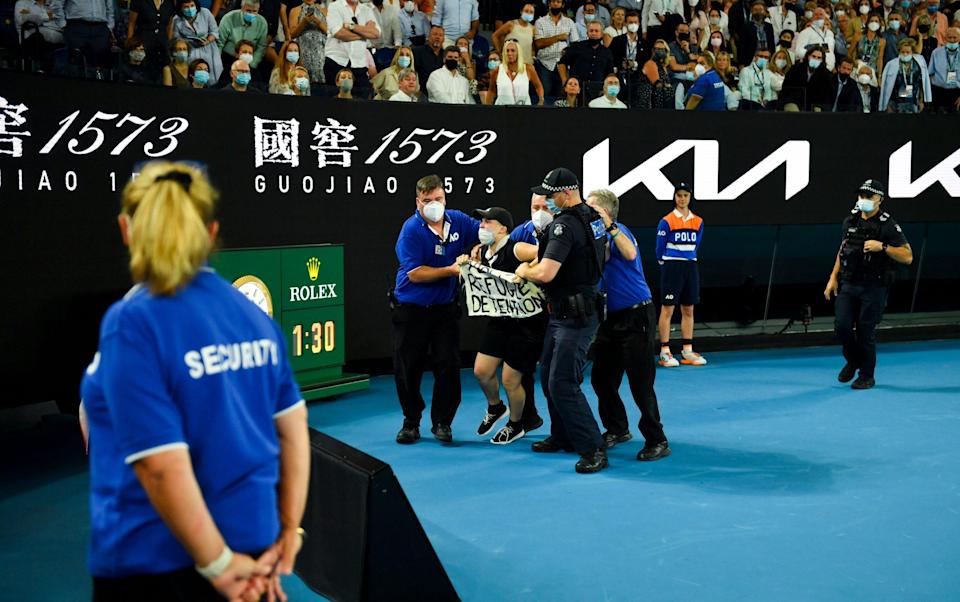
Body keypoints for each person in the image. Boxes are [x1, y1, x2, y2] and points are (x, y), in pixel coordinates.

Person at [81, 161, 309, 602]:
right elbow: (294, 430)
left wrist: (219, 566)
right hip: (254, 551)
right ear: (211, 232)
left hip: (155, 561)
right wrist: (285, 534)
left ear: (127, 229)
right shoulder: (253, 318)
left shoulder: (133, 322)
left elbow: (159, 464)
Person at [516, 167, 608, 474]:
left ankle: (593, 447)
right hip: (569, 312)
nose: (547, 201)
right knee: (548, 377)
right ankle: (562, 435)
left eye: (550, 195)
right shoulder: (594, 218)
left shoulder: (564, 226)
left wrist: (523, 272)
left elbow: (544, 273)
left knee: (563, 382)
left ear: (566, 193)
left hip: (574, 318)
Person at [391, 175, 480, 444]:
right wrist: (452, 270)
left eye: (438, 199)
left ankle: (442, 422)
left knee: (449, 365)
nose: (433, 205)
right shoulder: (411, 230)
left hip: (444, 310)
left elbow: (485, 232)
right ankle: (411, 421)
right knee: (409, 366)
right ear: (418, 203)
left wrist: (477, 247)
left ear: (445, 198)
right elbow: (416, 273)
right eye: (427, 201)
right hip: (411, 308)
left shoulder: (458, 220)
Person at [586, 189, 670, 461]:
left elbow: (630, 254)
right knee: (602, 379)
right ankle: (617, 428)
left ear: (606, 213)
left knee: (640, 382)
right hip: (608, 319)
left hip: (637, 317)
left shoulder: (620, 230)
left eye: (592, 209)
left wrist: (608, 225)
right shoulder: (592, 238)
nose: (587, 213)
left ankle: (657, 439)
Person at [824, 179, 913, 390]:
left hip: (874, 287)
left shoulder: (888, 225)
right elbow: (842, 250)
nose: (864, 200)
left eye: (869, 197)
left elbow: (907, 256)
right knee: (842, 327)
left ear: (879, 200)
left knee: (865, 332)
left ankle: (866, 375)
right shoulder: (850, 221)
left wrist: (882, 246)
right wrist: (832, 278)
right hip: (848, 283)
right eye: (861, 196)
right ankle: (854, 360)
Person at [468, 207, 546, 445]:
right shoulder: (481, 252)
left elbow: (545, 255)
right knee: (481, 371)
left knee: (511, 379)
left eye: (487, 222)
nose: (482, 226)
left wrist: (526, 271)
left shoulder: (516, 247)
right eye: (481, 221)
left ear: (502, 227)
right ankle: (495, 407)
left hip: (526, 324)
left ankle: (516, 424)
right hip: (499, 320)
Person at [656, 182, 706, 368]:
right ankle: (665, 351)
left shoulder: (698, 222)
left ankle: (687, 350)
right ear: (674, 197)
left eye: (685, 195)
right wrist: (666, 264)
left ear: (690, 197)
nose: (682, 199)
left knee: (688, 309)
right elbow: (659, 248)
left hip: (690, 267)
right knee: (667, 308)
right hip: (671, 267)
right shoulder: (667, 221)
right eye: (679, 195)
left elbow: (696, 245)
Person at [324, 0, 380, 97]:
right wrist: (364, 34)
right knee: (334, 102)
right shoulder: (335, 6)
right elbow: (338, 33)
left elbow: (376, 33)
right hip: (336, 62)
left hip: (359, 63)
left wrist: (351, 26)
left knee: (363, 102)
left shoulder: (366, 10)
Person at [534, 0, 579, 102]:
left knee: (562, 95)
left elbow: (575, 45)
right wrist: (559, 37)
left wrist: (568, 50)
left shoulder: (569, 22)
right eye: (553, 1)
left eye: (558, 2)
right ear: (549, 4)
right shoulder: (540, 22)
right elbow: (539, 43)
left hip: (562, 65)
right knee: (543, 96)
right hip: (544, 64)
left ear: (562, 5)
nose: (555, 4)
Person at [558, 20, 615, 99]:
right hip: (577, 90)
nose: (594, 33)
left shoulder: (607, 52)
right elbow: (562, 63)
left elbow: (609, 73)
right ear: (587, 33)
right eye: (591, 31)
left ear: (602, 34)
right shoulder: (577, 47)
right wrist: (565, 81)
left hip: (597, 92)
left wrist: (605, 89)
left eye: (596, 31)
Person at [172, 0, 222, 82]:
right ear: (180, 8)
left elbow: (214, 32)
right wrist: (187, 42)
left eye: (192, 5)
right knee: (193, 77)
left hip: (208, 48)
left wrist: (207, 41)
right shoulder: (176, 19)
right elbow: (176, 39)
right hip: (190, 50)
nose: (190, 9)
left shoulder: (206, 13)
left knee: (212, 77)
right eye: (186, 7)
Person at [217, 0, 270, 77]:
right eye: (248, 10)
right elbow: (219, 43)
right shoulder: (228, 18)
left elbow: (261, 47)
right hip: (228, 58)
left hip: (250, 60)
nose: (251, 14)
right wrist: (217, 64)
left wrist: (252, 65)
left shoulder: (262, 23)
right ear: (242, 8)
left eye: (254, 11)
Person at [485, 39, 545, 104]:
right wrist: (487, 108)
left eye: (513, 51)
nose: (509, 53)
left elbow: (538, 86)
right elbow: (491, 91)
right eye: (507, 51)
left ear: (518, 53)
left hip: (523, 110)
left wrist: (541, 99)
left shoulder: (528, 69)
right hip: (502, 110)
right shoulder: (497, 70)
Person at [879, 38, 932, 111]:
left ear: (912, 52)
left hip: (913, 103)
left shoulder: (918, 65)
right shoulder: (891, 65)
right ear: (899, 52)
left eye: (908, 52)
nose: (905, 54)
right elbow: (888, 87)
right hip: (895, 104)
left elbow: (921, 84)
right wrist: (888, 105)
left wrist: (921, 101)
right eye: (903, 52)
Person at [127, 0, 175, 80]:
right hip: (143, 44)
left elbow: (169, 26)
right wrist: (129, 45)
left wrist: (168, 45)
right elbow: (131, 24)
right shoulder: (139, 1)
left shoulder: (169, 3)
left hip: (162, 47)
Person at [63, 0, 114, 70]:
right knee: (76, 64)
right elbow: (57, 3)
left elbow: (110, 6)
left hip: (101, 27)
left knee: (100, 64)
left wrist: (110, 26)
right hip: (76, 25)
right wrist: (62, 24)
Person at [288, 0, 327, 85]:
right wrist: (303, 22)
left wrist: (318, 22)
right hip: (303, 51)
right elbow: (292, 34)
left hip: (322, 53)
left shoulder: (325, 10)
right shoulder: (295, 10)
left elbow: (330, 32)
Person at [608, 10, 644, 102]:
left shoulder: (644, 43)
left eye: (635, 22)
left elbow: (646, 60)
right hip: (620, 76)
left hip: (638, 77)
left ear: (639, 23)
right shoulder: (617, 40)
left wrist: (634, 64)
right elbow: (611, 58)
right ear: (625, 24)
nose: (633, 24)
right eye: (630, 22)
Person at [928, 26, 960, 112]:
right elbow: (930, 73)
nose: (952, 40)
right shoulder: (936, 52)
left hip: (956, 93)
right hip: (938, 93)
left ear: (959, 38)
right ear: (945, 38)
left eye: (955, 38)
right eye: (949, 37)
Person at [639, 38, 675, 108]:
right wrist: (668, 86)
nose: (659, 51)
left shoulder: (663, 66)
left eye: (661, 49)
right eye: (656, 49)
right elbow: (657, 84)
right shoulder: (650, 63)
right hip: (649, 101)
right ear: (653, 50)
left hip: (661, 100)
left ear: (666, 51)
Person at [737, 0, 775, 66]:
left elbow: (771, 44)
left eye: (760, 10)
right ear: (752, 11)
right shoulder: (746, 26)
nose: (758, 12)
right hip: (751, 59)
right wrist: (741, 63)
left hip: (767, 58)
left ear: (765, 11)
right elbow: (741, 46)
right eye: (756, 10)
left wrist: (773, 59)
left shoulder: (769, 26)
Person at [413, 24, 447, 91]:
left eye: (440, 35)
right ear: (428, 37)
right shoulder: (417, 52)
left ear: (443, 39)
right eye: (435, 34)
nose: (437, 37)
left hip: (442, 91)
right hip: (422, 92)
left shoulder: (446, 55)